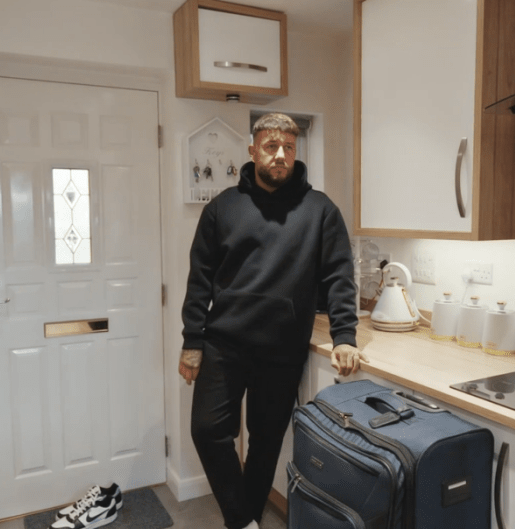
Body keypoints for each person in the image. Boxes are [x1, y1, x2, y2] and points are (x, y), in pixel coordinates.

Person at [179, 113, 368, 529]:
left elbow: (339, 276)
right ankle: (244, 520)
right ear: (252, 151)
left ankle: (243, 522)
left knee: (265, 444)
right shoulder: (221, 209)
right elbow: (200, 280)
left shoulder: (320, 211)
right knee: (208, 430)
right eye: (270, 146)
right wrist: (192, 340)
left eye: (288, 147)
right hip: (223, 344)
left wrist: (344, 335)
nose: (280, 155)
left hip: (281, 350)